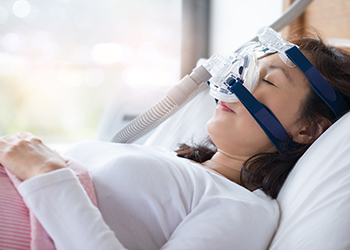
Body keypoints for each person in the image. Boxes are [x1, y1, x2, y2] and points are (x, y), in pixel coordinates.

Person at [1, 30, 350, 250]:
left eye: (269, 82)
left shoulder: (244, 210)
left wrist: (47, 173)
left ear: (307, 130)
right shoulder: (172, 162)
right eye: (248, 72)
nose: (235, 85)